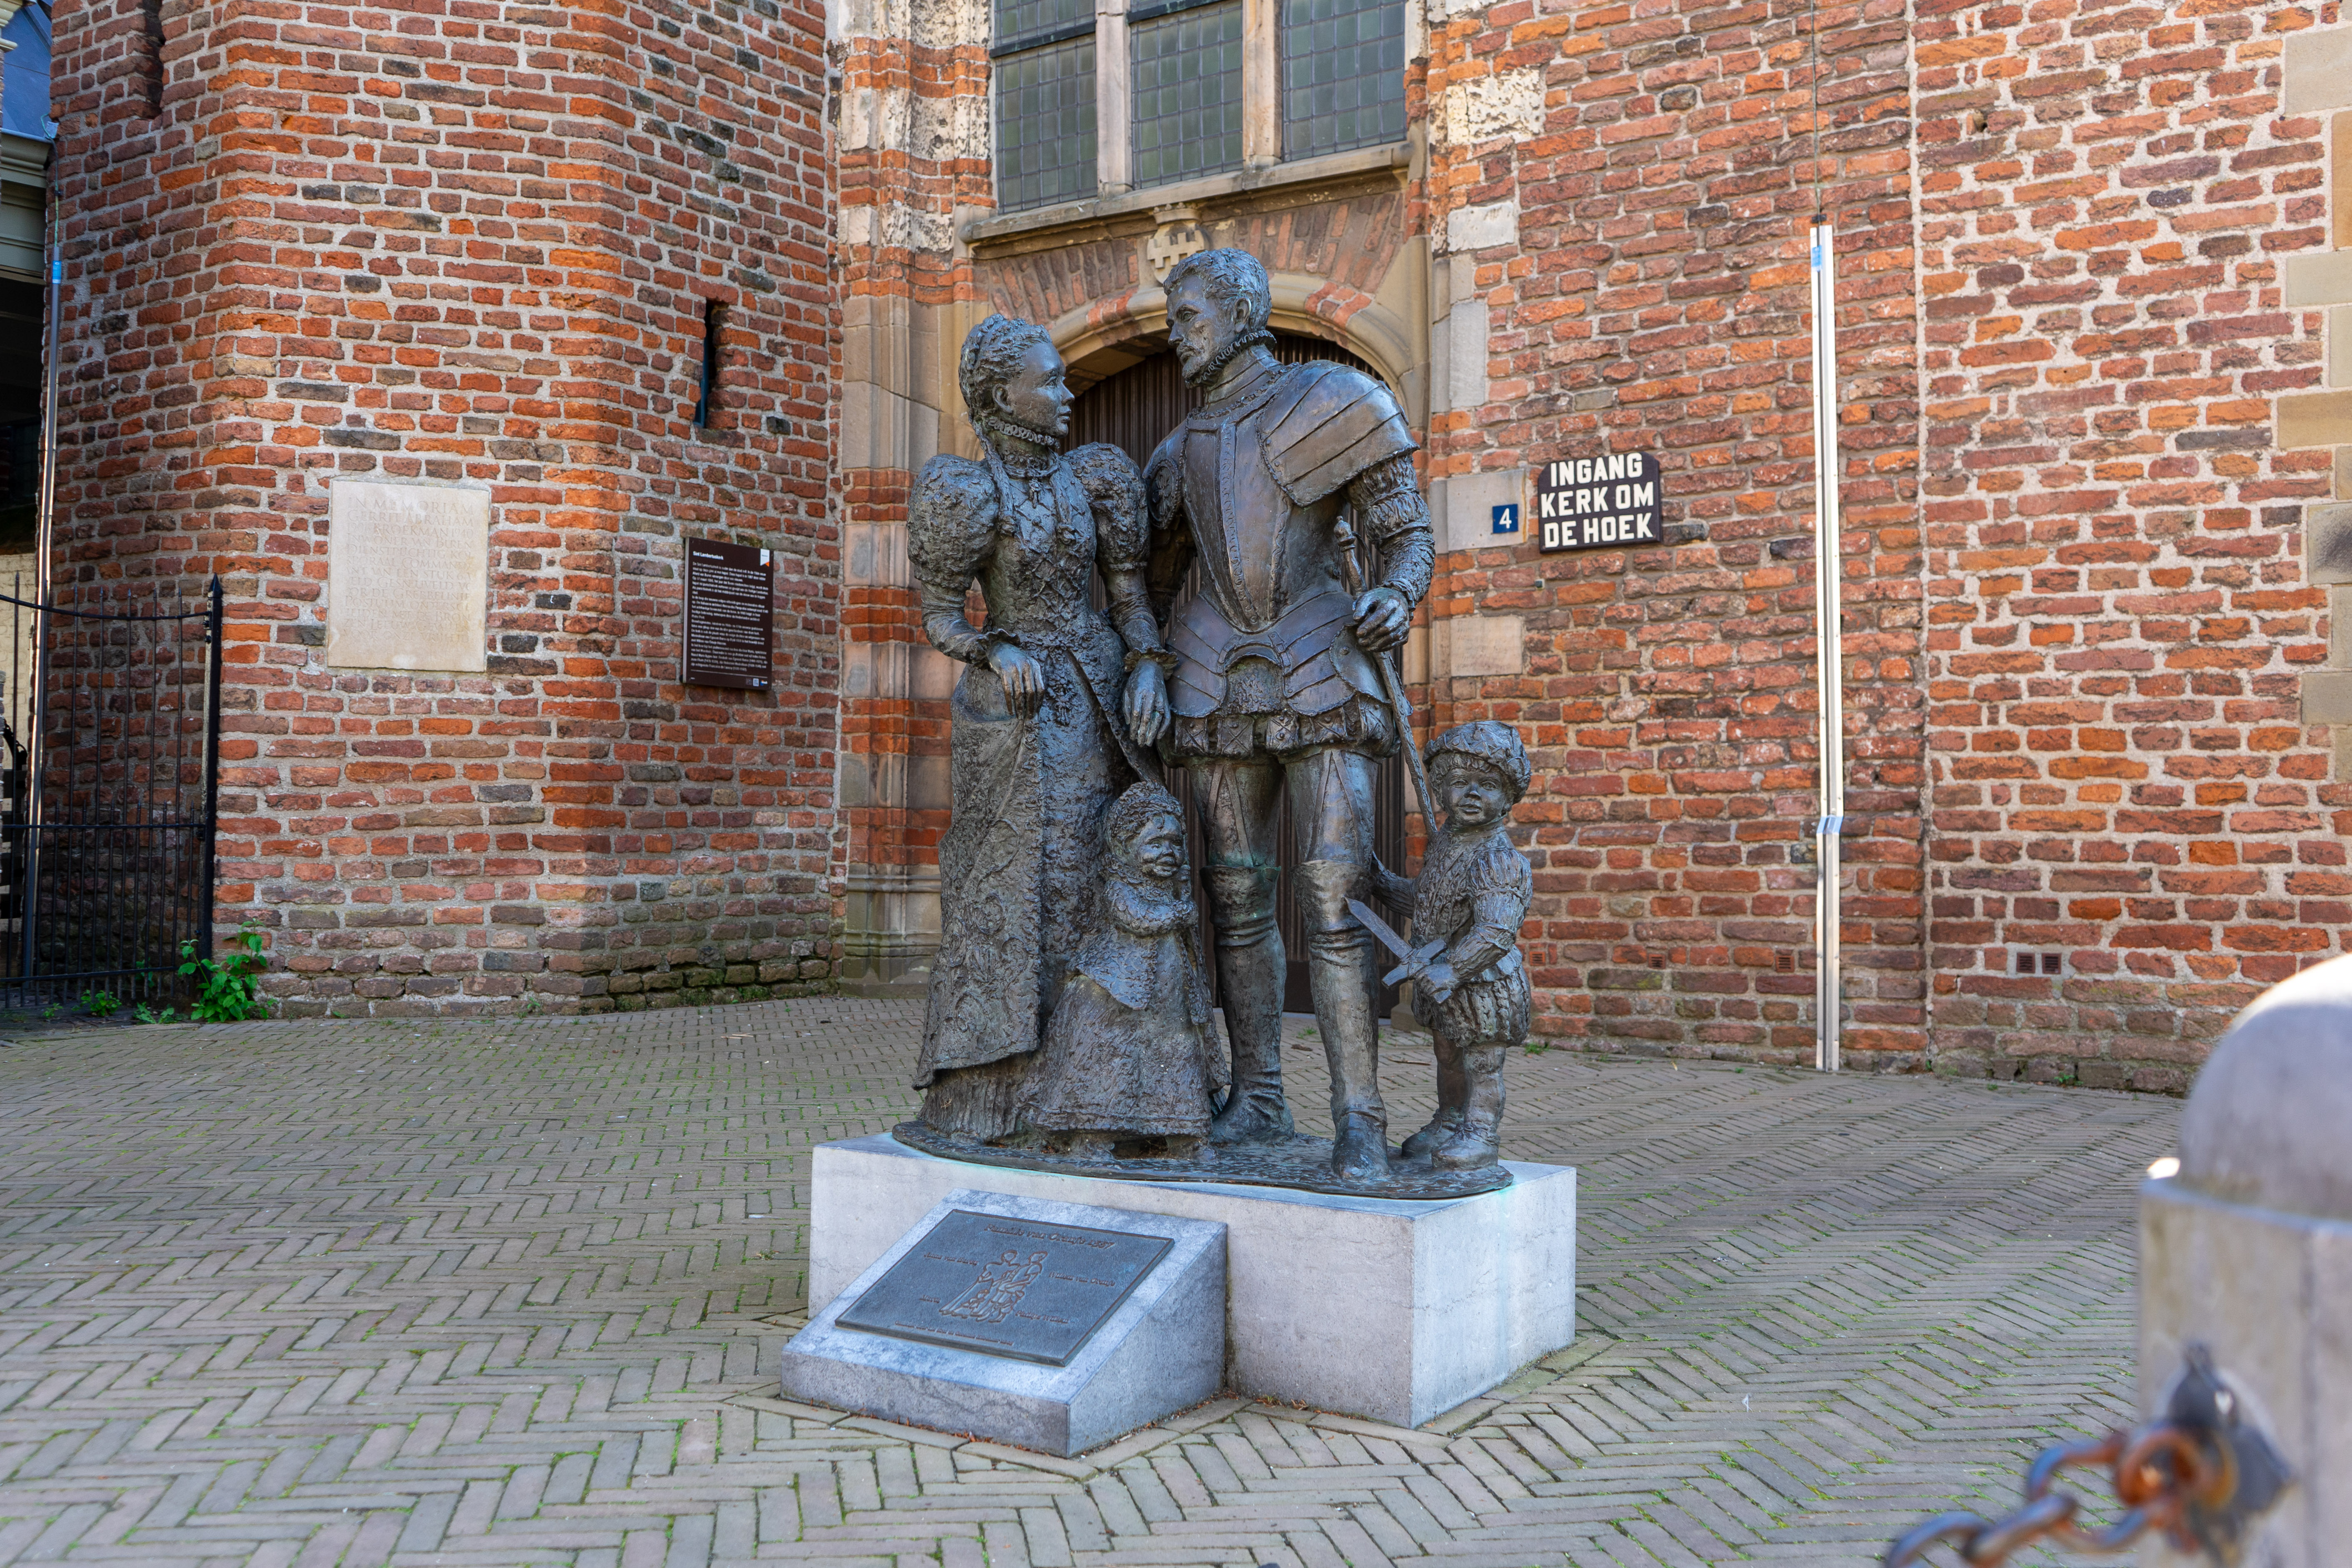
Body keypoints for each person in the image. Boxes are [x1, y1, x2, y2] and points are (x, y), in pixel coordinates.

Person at [1144, 248, 1436, 1181]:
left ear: (1239, 312)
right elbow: (1147, 579)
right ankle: (1258, 1095)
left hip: (1320, 657)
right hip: (1212, 668)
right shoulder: (1179, 448)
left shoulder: (1333, 401)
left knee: (1333, 891)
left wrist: (1397, 592)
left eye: (1188, 315)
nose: (1175, 335)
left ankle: (1358, 1113)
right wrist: (1148, 660)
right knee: (1235, 892)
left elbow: (1406, 530)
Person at [908, 315, 1174, 1141]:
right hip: (1014, 712)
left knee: (1097, 872)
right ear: (999, 395)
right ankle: (1006, 1087)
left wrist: (1148, 663)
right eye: (1048, 382)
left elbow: (1128, 594)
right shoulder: (964, 489)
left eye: (1065, 378)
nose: (1065, 396)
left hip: (1094, 693)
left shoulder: (1096, 477)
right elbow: (942, 618)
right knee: (1023, 883)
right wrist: (993, 647)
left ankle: (1106, 1078)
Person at [1016, 781, 1220, 1156]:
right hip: (1116, 989)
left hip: (1168, 991)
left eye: (1175, 845)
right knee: (1108, 1057)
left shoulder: (1175, 889)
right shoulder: (1121, 888)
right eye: (1155, 844)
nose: (1168, 853)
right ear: (1127, 847)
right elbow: (1137, 918)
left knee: (1173, 1053)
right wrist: (1179, 913)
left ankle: (1182, 1134)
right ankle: (1092, 1133)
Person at [1371, 722, 1534, 1170]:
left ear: (1509, 794)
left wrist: (1453, 969)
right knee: (1447, 1054)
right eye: (1460, 783)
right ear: (1442, 790)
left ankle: (1480, 1132)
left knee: (1482, 1061)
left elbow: (1496, 932)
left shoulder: (1497, 860)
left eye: (1488, 785)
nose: (1473, 794)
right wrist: (1383, 884)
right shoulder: (1445, 844)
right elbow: (1429, 902)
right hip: (1443, 979)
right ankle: (1449, 1118)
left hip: (1480, 981)